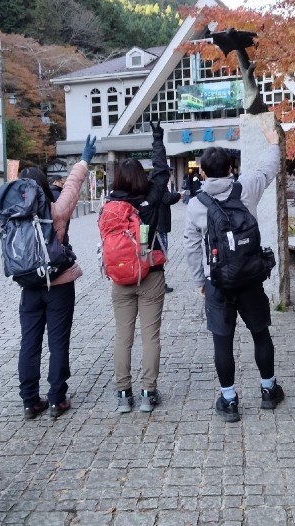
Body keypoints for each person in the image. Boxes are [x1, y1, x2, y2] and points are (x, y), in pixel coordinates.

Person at [183, 121, 282, 423]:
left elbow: (190, 247)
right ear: (231, 168)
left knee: (222, 342)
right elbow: (269, 168)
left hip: (219, 283)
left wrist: (201, 282)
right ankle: (268, 390)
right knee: (260, 333)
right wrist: (273, 142)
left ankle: (229, 400)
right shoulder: (246, 186)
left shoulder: (197, 204)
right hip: (251, 277)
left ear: (201, 173)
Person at [16, 136, 96, 420]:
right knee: (58, 341)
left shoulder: (12, 215)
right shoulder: (56, 211)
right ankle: (56, 399)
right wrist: (84, 160)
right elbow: (72, 185)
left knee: (29, 342)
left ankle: (29, 401)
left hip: (28, 286)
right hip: (59, 284)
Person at [107, 121, 170, 413]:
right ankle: (148, 392)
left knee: (123, 336)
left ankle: (123, 395)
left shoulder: (110, 205)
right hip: (151, 275)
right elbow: (162, 171)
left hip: (120, 278)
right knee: (151, 336)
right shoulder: (152, 197)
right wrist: (158, 138)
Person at [156, 186, 182, 293]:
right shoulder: (159, 185)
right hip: (160, 225)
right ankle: (160, 284)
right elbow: (167, 198)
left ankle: (157, 283)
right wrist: (179, 195)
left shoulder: (152, 184)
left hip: (156, 224)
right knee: (161, 256)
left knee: (157, 255)